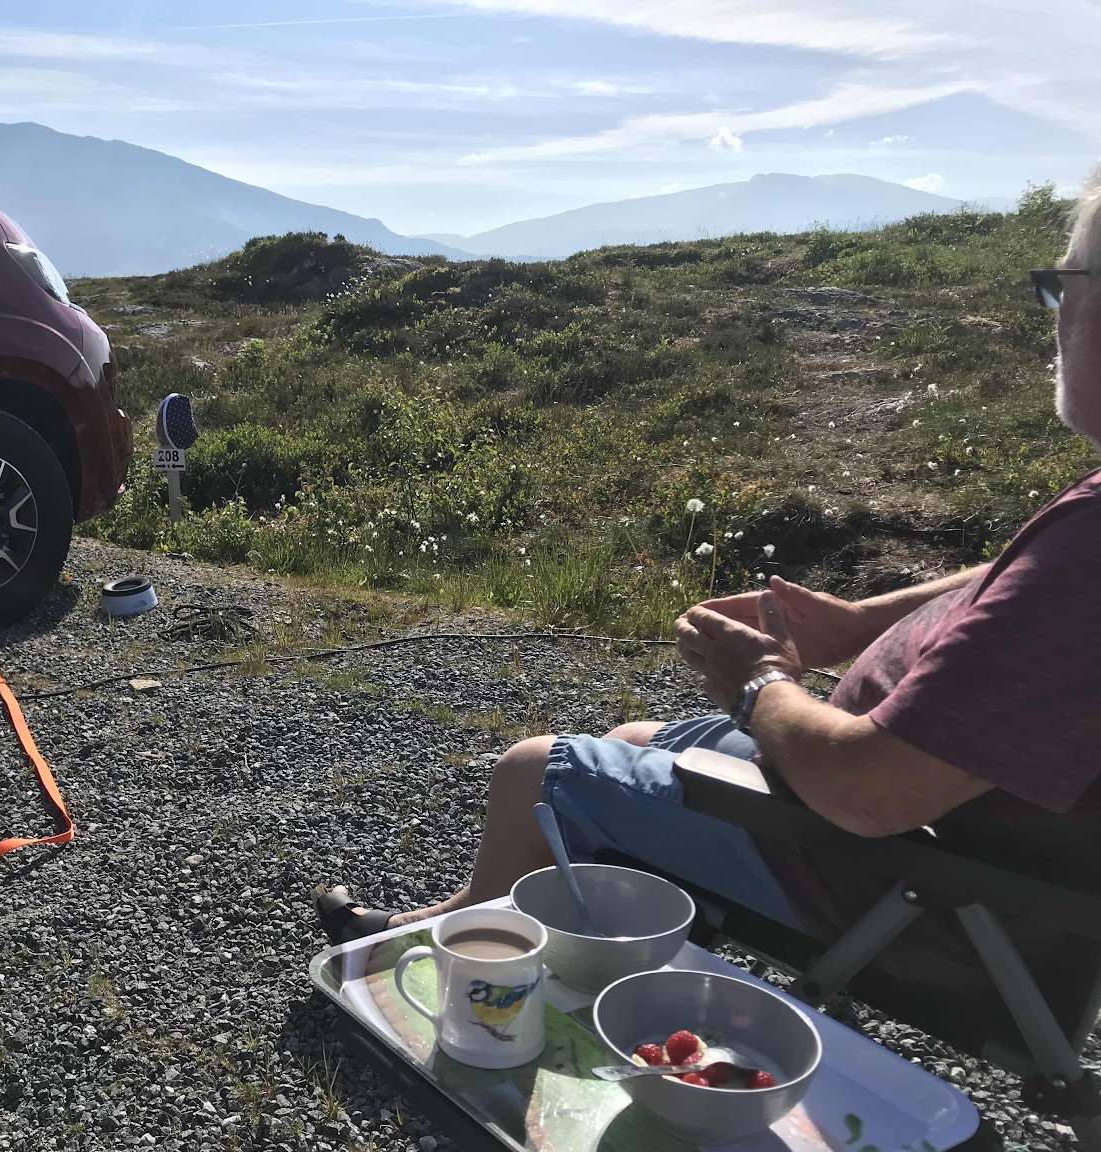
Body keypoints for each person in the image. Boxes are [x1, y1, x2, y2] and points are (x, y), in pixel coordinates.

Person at [317, 181, 1101, 1032]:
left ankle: (461, 989)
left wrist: (758, 683)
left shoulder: (1088, 564)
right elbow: (1007, 582)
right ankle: (490, 928)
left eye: (1070, 284)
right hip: (925, 838)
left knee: (535, 772)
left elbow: (868, 795)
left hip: (915, 890)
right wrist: (857, 622)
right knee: (629, 740)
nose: (1057, 313)